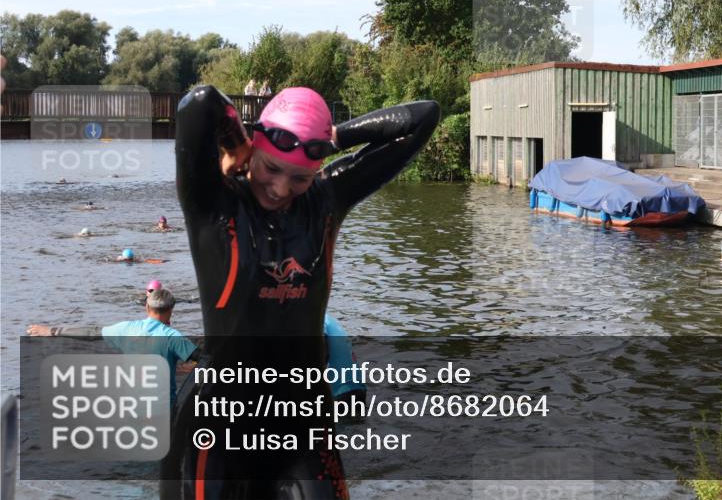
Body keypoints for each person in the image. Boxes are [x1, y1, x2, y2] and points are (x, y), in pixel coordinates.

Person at [174, 85, 439, 498]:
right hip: (219, 417)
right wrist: (236, 142)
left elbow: (424, 117)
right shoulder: (213, 203)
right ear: (255, 149)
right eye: (271, 168)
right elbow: (200, 103)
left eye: (300, 177)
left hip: (303, 418)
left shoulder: (327, 198)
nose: (281, 188)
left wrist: (337, 137)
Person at [26, 288, 199, 407]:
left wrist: (52, 331)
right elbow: (205, 358)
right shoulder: (173, 337)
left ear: (147, 307)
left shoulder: (126, 329)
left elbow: (91, 332)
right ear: (171, 311)